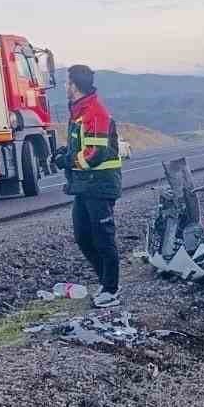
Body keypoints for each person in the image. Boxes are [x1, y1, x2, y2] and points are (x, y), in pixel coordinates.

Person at [59, 63, 122, 306]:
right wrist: (66, 154)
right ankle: (106, 282)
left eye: (67, 83)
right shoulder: (80, 112)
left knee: (103, 237)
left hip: (100, 186)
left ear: (74, 86)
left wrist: (68, 160)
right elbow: (83, 147)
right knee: (83, 236)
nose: (65, 86)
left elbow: (95, 154)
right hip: (85, 186)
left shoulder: (94, 112)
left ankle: (111, 289)